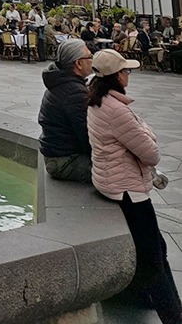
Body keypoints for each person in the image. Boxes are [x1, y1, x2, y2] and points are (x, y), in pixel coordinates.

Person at [87, 49, 182, 323]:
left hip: (111, 181)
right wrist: (146, 133)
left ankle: (154, 301)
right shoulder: (117, 110)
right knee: (155, 256)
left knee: (154, 248)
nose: (129, 75)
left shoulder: (97, 100)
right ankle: (172, 315)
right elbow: (151, 153)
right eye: (126, 71)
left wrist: (142, 132)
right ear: (117, 76)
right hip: (128, 190)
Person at [38, 40, 94, 183]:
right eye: (89, 57)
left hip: (58, 155)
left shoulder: (60, 81)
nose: (92, 59)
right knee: (121, 173)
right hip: (64, 161)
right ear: (78, 64)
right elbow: (86, 136)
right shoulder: (73, 92)